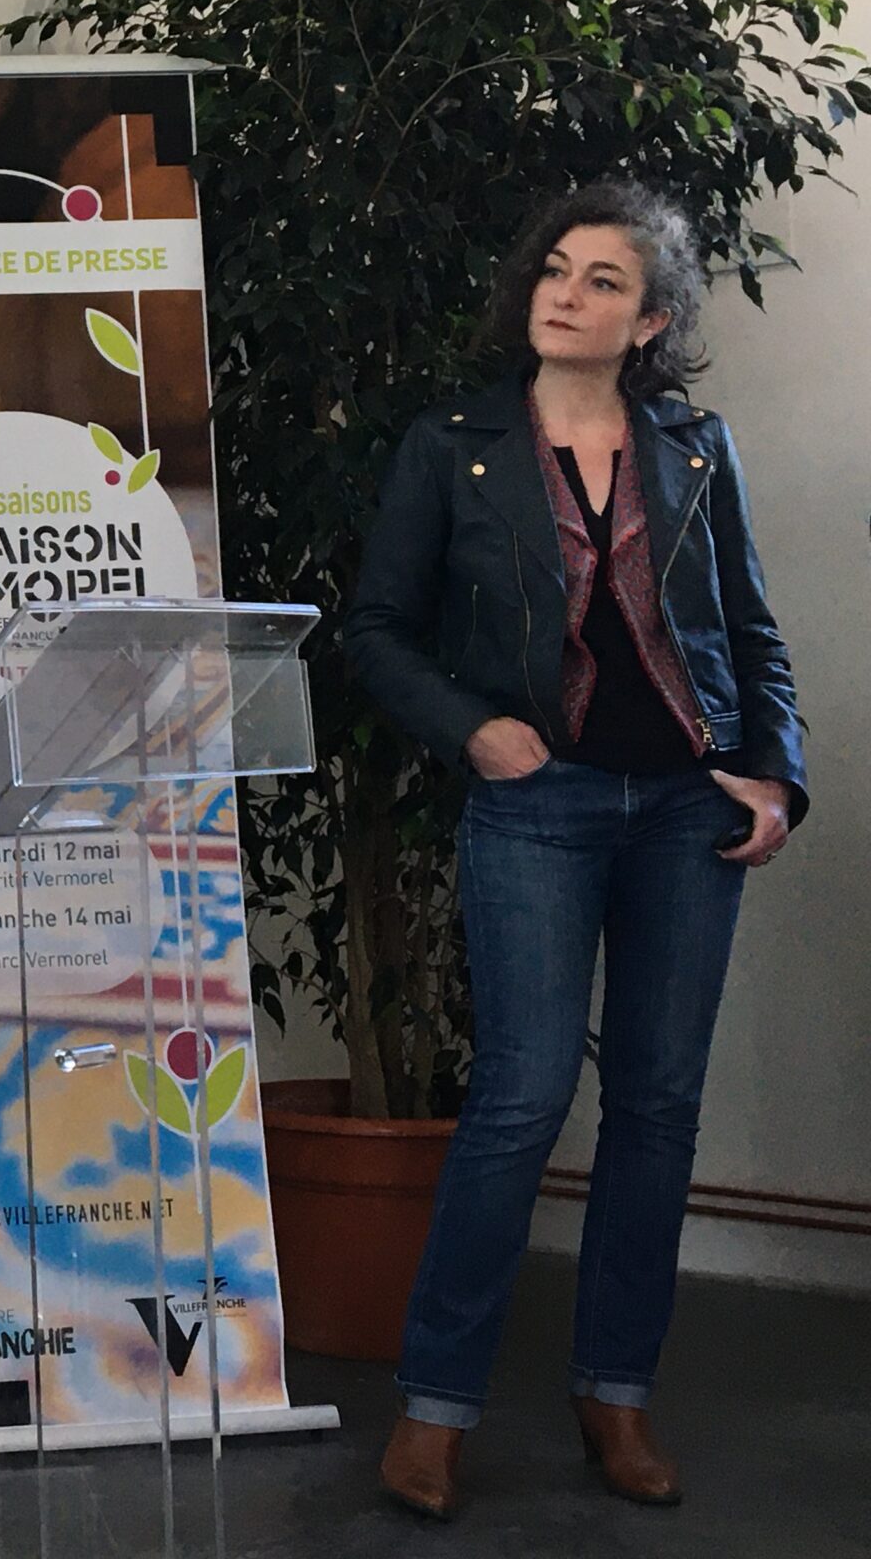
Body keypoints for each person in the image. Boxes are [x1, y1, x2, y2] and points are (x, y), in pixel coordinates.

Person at [346, 181, 804, 1521]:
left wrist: (776, 778)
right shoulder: (454, 445)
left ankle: (616, 1391)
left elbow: (751, 635)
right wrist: (474, 730)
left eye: (603, 280)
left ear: (650, 320)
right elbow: (377, 629)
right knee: (520, 1100)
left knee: (658, 1107)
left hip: (686, 815)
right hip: (536, 804)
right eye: (556, 269)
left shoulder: (697, 448)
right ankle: (437, 1408)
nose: (566, 292)